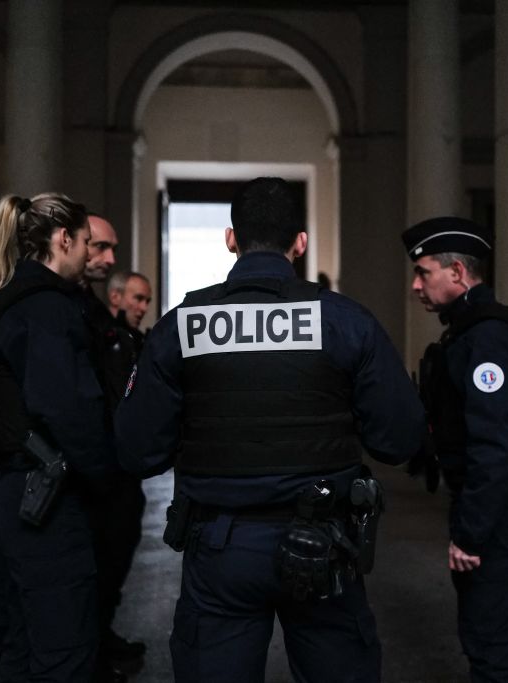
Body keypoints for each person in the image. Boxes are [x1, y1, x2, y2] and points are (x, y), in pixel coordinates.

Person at [115, 177, 425, 683]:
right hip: (326, 542)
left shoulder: (184, 326)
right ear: (299, 242)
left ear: (231, 239)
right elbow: (399, 440)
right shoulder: (347, 323)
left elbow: (136, 450)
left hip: (220, 548)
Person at [0, 193, 116, 682]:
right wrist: (109, 476)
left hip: (7, 489)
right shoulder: (46, 309)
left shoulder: (2, 301)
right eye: (87, 242)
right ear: (63, 239)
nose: (91, 254)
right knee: (64, 647)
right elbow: (68, 409)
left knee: (18, 637)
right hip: (42, 497)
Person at [403, 216, 508, 682]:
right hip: (493, 496)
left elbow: (497, 444)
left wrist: (471, 531)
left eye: (424, 272)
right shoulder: (469, 331)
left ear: (458, 273)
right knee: (499, 607)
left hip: (497, 500)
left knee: (486, 630)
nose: (415, 285)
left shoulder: (486, 336)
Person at [80, 213, 147, 678]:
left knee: (113, 562)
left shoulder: (123, 335)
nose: (144, 306)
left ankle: (99, 641)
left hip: (119, 468)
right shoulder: (85, 319)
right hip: (99, 470)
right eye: (100, 247)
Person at [107, 270, 152, 335]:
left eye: (147, 302)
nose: (144, 308)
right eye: (138, 298)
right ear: (115, 297)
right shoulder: (95, 335)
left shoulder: (140, 340)